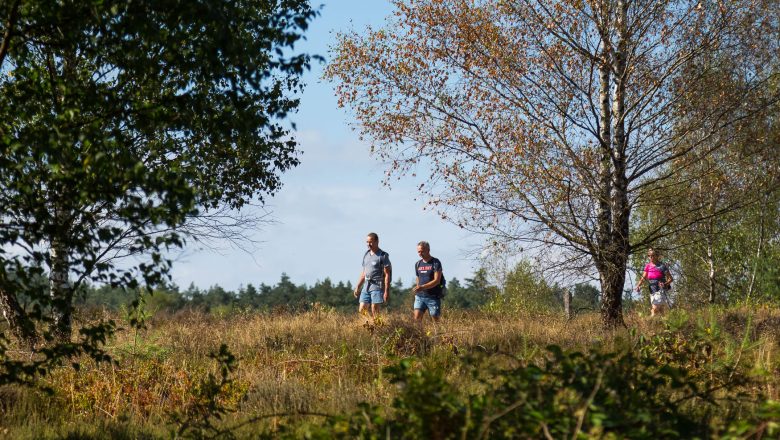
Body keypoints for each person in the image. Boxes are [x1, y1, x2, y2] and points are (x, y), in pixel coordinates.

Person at [353, 232, 391, 319]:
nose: (368, 244)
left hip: (377, 285)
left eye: (370, 242)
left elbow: (387, 274)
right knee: (362, 309)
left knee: (374, 309)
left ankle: (377, 327)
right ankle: (369, 325)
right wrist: (358, 286)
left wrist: (386, 291)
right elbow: (363, 273)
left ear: (377, 241)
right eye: (367, 242)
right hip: (366, 285)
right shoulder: (366, 254)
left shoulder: (383, 255)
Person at [635, 247, 673, 317]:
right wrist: (638, 285)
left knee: (655, 309)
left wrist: (665, 284)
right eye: (649, 256)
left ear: (657, 256)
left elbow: (671, 279)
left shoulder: (662, 266)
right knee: (661, 311)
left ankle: (649, 323)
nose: (651, 257)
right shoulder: (648, 266)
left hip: (661, 289)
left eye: (653, 255)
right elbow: (643, 277)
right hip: (652, 290)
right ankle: (664, 325)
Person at [412, 241, 443, 324]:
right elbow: (418, 277)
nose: (420, 253)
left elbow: (437, 281)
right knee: (416, 319)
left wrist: (422, 287)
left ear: (428, 250)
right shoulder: (418, 264)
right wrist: (418, 287)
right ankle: (418, 336)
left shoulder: (436, 262)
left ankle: (438, 336)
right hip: (420, 297)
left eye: (422, 251)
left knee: (435, 320)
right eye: (418, 251)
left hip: (433, 297)